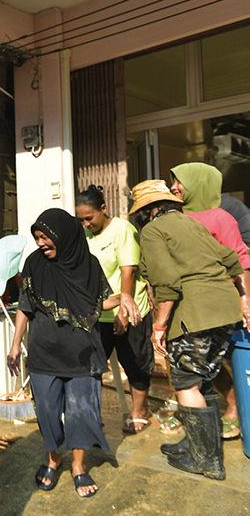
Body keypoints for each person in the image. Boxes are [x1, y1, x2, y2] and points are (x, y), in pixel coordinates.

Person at [131, 179, 243, 480]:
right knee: (202, 377)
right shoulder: (192, 223)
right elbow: (231, 259)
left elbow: (167, 282)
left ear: (147, 210)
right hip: (224, 312)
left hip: (195, 315)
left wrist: (159, 327)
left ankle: (206, 460)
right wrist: (239, 297)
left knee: (185, 384)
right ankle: (198, 444)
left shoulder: (153, 230)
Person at [7, 209, 114, 498]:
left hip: (83, 354)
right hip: (44, 353)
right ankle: (53, 459)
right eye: (37, 237)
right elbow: (25, 306)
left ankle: (78, 466)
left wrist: (124, 298)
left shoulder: (89, 265)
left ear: (63, 235)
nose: (40, 243)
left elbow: (99, 303)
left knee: (82, 412)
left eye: (45, 237)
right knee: (48, 412)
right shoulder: (34, 264)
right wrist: (16, 344)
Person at [170, 162, 250, 440]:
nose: (174, 187)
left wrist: (244, 301)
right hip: (184, 305)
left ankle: (232, 408)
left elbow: (240, 261)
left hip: (215, 306)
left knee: (211, 363)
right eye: (173, 181)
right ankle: (203, 424)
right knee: (195, 368)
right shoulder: (176, 216)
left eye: (179, 181)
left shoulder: (221, 218)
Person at [75, 185, 153, 434]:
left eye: (90, 218)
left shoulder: (122, 229)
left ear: (104, 209)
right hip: (99, 312)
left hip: (129, 308)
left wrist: (124, 312)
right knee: (92, 365)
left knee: (135, 362)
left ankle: (139, 411)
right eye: (81, 219)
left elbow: (128, 271)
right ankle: (90, 413)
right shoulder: (84, 234)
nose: (86, 224)